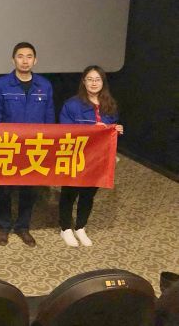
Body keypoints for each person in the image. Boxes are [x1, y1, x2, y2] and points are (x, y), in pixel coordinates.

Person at [0, 42, 54, 247]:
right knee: (5, 188)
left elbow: (49, 118)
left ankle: (23, 226)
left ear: (35, 60)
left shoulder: (45, 85)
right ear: (13, 60)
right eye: (20, 56)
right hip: (8, 145)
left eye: (29, 57)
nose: (24, 61)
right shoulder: (1, 85)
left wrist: (48, 144)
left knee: (30, 188)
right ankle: (3, 226)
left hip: (35, 146)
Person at [58, 65, 123, 247]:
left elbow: (111, 132)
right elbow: (65, 131)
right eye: (90, 79)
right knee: (69, 192)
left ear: (103, 82)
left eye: (97, 79)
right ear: (84, 82)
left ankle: (81, 226)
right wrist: (92, 130)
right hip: (76, 155)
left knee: (88, 194)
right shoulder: (72, 104)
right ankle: (65, 228)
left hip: (98, 158)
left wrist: (116, 130)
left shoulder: (110, 105)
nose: (94, 83)